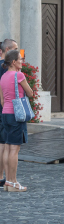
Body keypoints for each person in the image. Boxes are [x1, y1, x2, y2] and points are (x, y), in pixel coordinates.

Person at [0, 49, 33, 192]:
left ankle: (8, 181)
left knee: (7, 147)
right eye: (20, 59)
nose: (22, 61)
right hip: (16, 115)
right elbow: (30, 93)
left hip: (5, 113)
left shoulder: (3, 76)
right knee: (14, 149)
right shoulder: (18, 75)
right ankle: (13, 182)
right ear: (13, 62)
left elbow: (2, 99)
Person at [0, 38, 17, 189]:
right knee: (6, 145)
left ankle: (4, 178)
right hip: (8, 110)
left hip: (4, 109)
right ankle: (7, 178)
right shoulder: (8, 70)